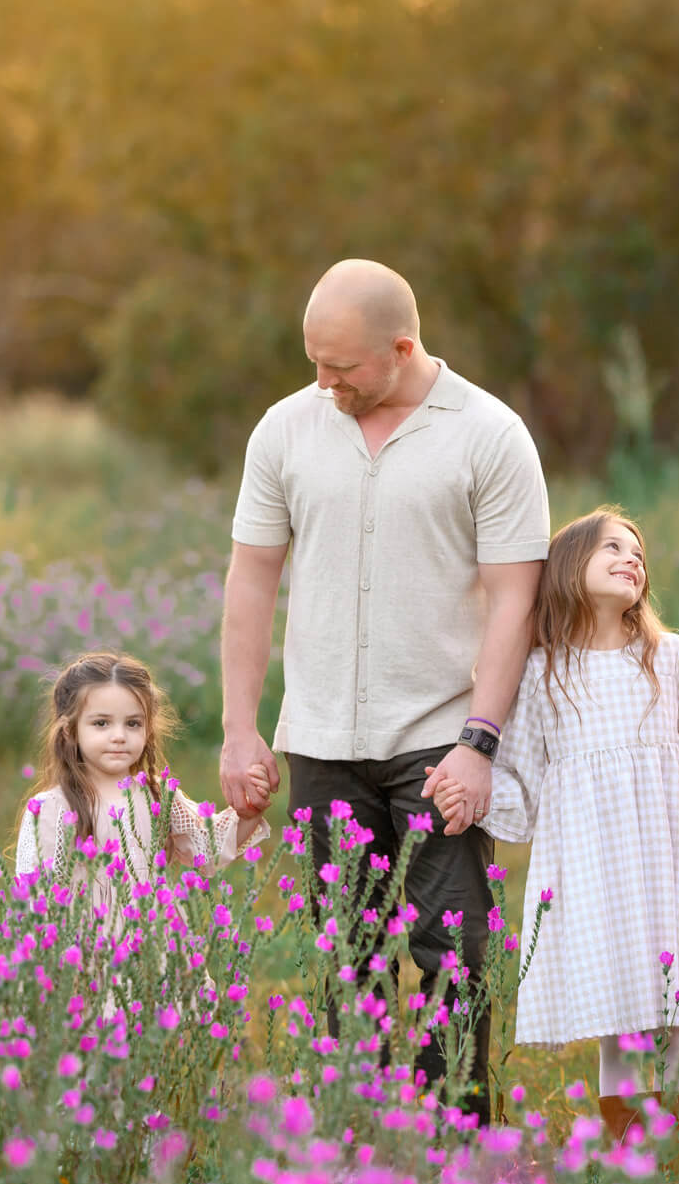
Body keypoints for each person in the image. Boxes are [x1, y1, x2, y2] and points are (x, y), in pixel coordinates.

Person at [220, 259, 548, 1126]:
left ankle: (456, 1150)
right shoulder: (286, 430)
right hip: (321, 740)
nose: (323, 384)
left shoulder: (490, 434)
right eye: (313, 363)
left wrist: (480, 743)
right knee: (345, 957)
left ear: (402, 348)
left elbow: (516, 596)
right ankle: (356, 1144)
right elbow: (251, 580)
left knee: (454, 957)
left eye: (343, 369)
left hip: (442, 734)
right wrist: (239, 730)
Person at [430, 508, 679, 1155]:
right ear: (568, 568)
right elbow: (520, 796)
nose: (631, 558)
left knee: (678, 1019)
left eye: (638, 552)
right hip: (592, 872)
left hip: (665, 868)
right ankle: (630, 1156)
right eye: (611, 547)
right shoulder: (542, 674)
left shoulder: (676, 658)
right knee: (621, 1014)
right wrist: (471, 795)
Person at [13, 650, 268, 909]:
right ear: (70, 731)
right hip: (85, 944)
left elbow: (206, 847)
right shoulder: (52, 808)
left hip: (151, 940)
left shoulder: (157, 795)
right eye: (101, 723)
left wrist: (248, 813)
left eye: (133, 723)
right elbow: (36, 894)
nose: (119, 736)